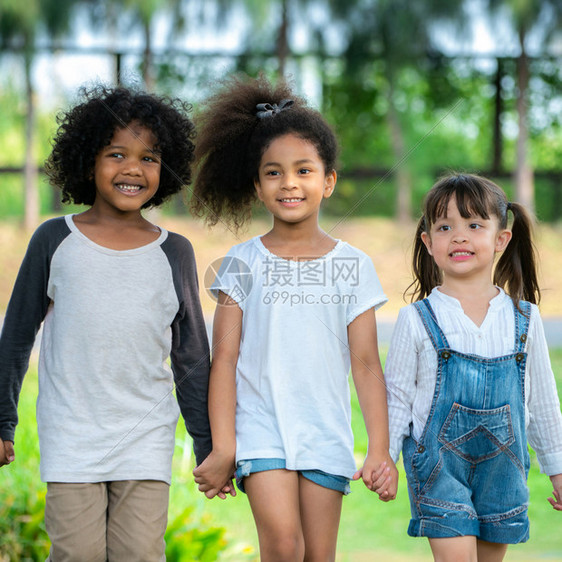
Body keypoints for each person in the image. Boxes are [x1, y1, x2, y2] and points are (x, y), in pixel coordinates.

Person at [190, 73, 398, 561]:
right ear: (257, 188)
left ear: (328, 182)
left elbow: (367, 364)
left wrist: (379, 449)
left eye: (304, 170)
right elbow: (224, 361)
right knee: (284, 546)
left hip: (325, 432)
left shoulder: (353, 265)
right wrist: (223, 448)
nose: (289, 183)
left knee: (316, 556)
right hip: (260, 429)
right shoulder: (240, 264)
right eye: (273, 172)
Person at [0, 86, 211, 561]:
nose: (133, 168)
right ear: (87, 160)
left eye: (149, 157)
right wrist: (2, 419)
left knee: (140, 553)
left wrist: (208, 444)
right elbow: (16, 336)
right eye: (116, 154)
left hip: (145, 435)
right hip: (72, 434)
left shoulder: (174, 252)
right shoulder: (54, 239)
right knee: (78, 554)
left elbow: (192, 357)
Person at [385, 173, 562, 562]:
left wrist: (558, 468)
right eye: (445, 227)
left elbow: (544, 403)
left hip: (504, 468)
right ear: (429, 243)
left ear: (501, 239)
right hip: (438, 467)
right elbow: (396, 396)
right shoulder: (416, 318)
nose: (459, 236)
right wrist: (385, 457)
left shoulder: (525, 320)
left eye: (474, 225)